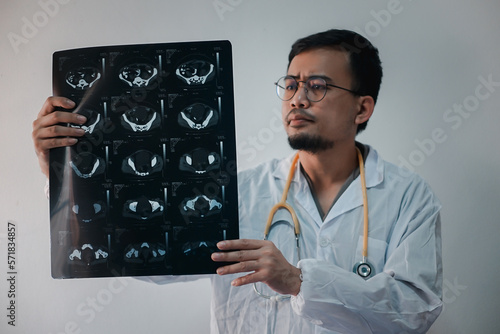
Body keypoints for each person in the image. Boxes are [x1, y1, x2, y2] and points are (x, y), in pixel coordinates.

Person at [32, 29, 443, 333]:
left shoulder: (408, 197)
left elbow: (416, 312)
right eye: (291, 84)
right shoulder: (236, 191)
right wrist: (62, 167)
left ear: (362, 107)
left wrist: (299, 281)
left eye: (317, 86)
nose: (297, 98)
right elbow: (149, 259)